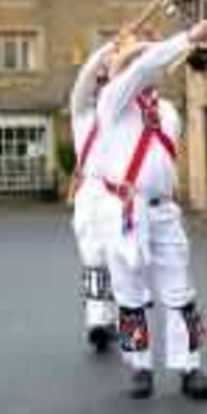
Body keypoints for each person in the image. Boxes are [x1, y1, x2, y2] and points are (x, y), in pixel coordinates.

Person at [85, 23, 207, 401]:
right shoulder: (111, 101)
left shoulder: (167, 111)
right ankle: (140, 366)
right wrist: (185, 38)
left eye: (146, 58)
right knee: (129, 292)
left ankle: (189, 366)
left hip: (162, 211)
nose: (144, 65)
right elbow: (140, 71)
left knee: (181, 291)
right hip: (122, 210)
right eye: (134, 60)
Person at [69, 40, 118, 353]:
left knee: (118, 261)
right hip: (92, 190)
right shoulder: (81, 114)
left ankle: (111, 318)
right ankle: (98, 321)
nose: (100, 86)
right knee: (94, 259)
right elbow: (83, 80)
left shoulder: (123, 116)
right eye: (98, 82)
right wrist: (107, 49)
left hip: (119, 192)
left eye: (106, 81)